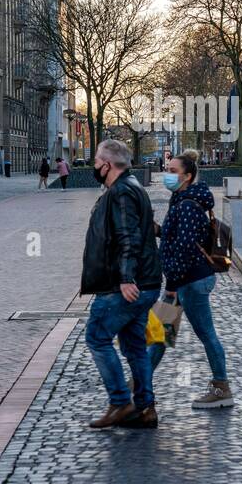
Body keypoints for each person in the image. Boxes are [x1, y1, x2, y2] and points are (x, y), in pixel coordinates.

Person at [80, 139, 161, 430]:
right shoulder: (132, 187)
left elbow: (128, 237)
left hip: (124, 286)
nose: (94, 167)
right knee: (135, 347)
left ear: (108, 165)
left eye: (96, 162)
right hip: (147, 282)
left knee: (97, 338)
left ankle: (120, 402)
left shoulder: (122, 192)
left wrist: (126, 278)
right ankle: (145, 408)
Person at [150, 149, 233, 408]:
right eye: (167, 169)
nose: (168, 175)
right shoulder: (183, 199)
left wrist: (173, 285)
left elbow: (185, 248)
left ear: (186, 176)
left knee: (205, 333)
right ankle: (140, 380)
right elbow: (181, 239)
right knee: (160, 332)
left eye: (173, 171)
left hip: (190, 280)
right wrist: (160, 231)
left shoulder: (186, 204)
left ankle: (221, 389)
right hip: (185, 278)